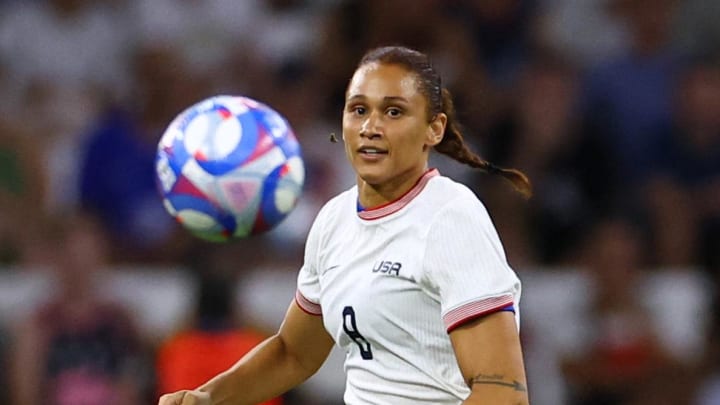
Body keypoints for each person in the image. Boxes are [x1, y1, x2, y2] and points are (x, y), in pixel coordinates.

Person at [159, 45, 532, 405]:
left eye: (394, 112)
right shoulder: (334, 221)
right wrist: (208, 397)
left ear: (433, 129)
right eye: (358, 110)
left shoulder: (450, 217)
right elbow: (293, 353)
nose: (370, 127)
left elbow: (503, 391)